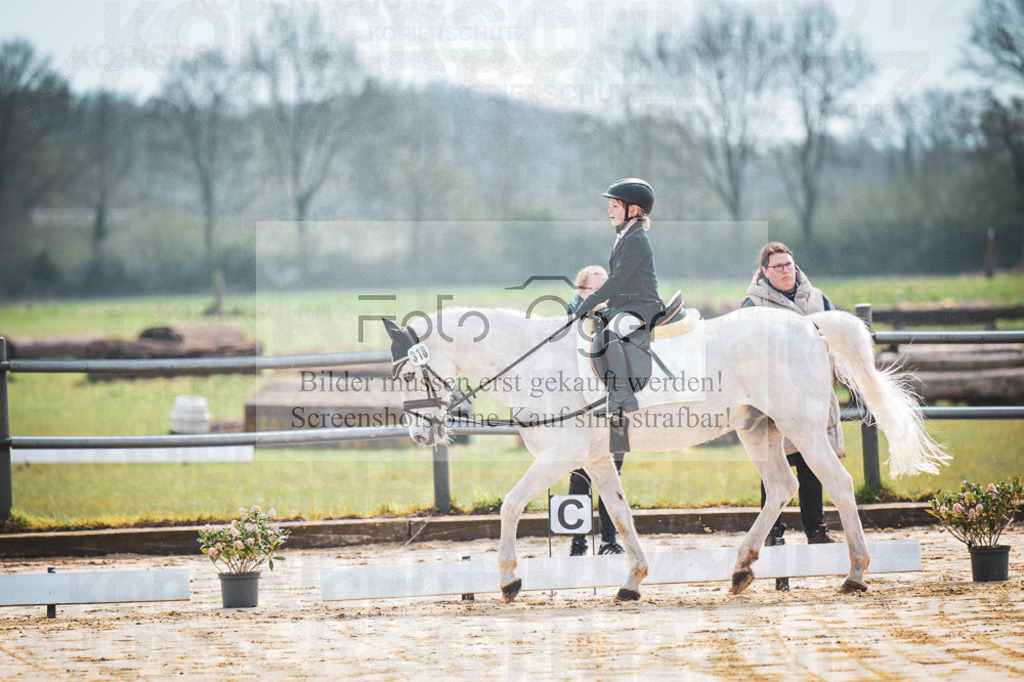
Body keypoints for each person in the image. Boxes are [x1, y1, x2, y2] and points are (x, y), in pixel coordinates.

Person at [742, 241, 845, 588]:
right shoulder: (753, 304)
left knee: (813, 464)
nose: (786, 270)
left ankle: (817, 529)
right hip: (771, 399)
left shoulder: (818, 298)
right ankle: (774, 534)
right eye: (778, 266)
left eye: (789, 264)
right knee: (773, 469)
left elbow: (837, 333)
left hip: (813, 395)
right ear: (764, 272)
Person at [572, 178, 664, 456]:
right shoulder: (626, 234)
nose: (609, 211)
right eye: (610, 206)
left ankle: (622, 395)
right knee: (600, 328)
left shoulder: (635, 239)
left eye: (615, 206)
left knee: (611, 333)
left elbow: (617, 280)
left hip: (642, 306)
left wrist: (586, 303)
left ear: (634, 210)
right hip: (627, 303)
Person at [566, 266, 626, 556]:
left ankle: (609, 541)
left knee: (613, 477)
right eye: (598, 291)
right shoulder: (569, 326)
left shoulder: (619, 320)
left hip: (616, 411)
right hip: (582, 416)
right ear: (582, 292)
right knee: (580, 477)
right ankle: (578, 544)